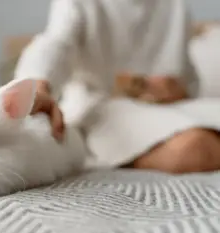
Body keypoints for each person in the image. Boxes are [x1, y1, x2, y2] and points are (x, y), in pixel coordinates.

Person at [14, 0, 220, 173]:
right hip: (100, 108)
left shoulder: (175, 5)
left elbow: (191, 80)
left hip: (169, 108)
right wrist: (39, 86)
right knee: (196, 148)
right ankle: (105, 155)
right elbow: (55, 44)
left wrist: (179, 90)